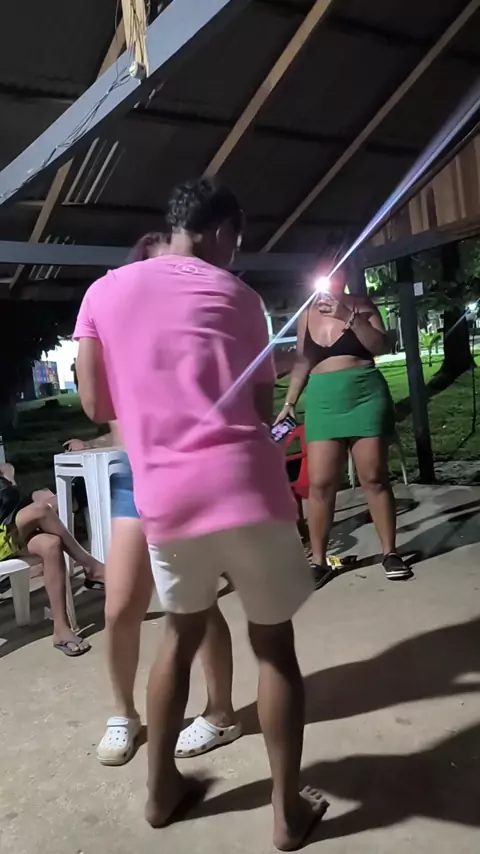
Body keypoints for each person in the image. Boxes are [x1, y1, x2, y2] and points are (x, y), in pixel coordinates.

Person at [75, 178, 325, 850]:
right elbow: (258, 410)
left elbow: (95, 404)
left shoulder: (104, 292)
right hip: (246, 488)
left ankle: (161, 791)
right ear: (220, 230)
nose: (234, 252)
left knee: (179, 636)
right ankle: (286, 814)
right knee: (273, 648)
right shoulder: (240, 297)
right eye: (235, 239)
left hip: (166, 495)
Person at [66, 232, 241, 766]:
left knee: (196, 601)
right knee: (120, 605)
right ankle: (124, 714)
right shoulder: (116, 324)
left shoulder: (195, 328)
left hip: (188, 475)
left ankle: (221, 713)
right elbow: (99, 404)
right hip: (134, 478)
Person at [276, 266, 412, 589]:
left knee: (373, 477)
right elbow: (303, 361)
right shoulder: (307, 314)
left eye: (336, 273)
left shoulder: (362, 304)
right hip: (323, 401)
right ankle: (319, 562)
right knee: (321, 483)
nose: (329, 279)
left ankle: (390, 552)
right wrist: (289, 402)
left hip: (365, 394)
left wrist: (347, 316)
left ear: (344, 277)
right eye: (323, 273)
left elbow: (380, 346)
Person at [0, 463, 104, 655]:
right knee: (42, 510)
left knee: (51, 544)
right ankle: (92, 567)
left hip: (10, 531)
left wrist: (9, 479)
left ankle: (61, 630)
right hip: (4, 534)